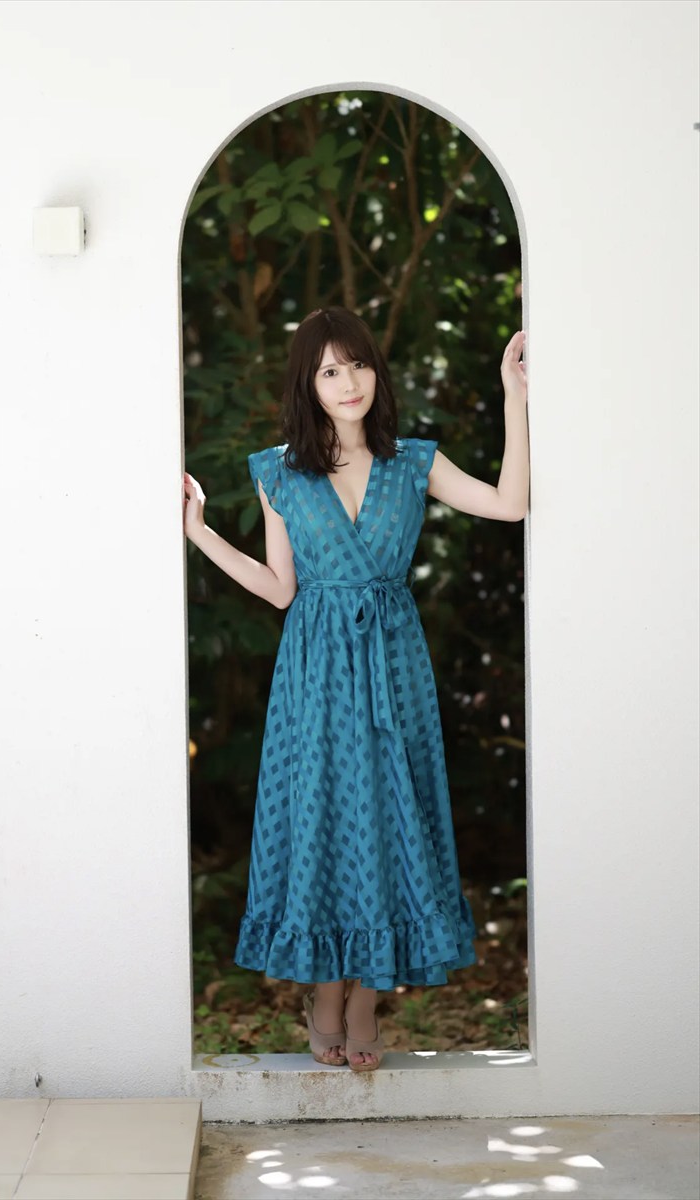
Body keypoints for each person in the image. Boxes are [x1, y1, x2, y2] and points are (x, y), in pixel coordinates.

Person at [183, 306, 529, 1072]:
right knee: (320, 820)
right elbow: (280, 588)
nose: (348, 382)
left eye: (359, 364)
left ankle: (366, 998)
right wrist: (201, 531)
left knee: (390, 818)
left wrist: (512, 394)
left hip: (392, 665)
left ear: (377, 371)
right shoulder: (279, 471)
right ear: (307, 384)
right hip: (313, 673)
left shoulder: (413, 462)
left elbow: (508, 505)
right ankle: (324, 995)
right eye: (330, 370)